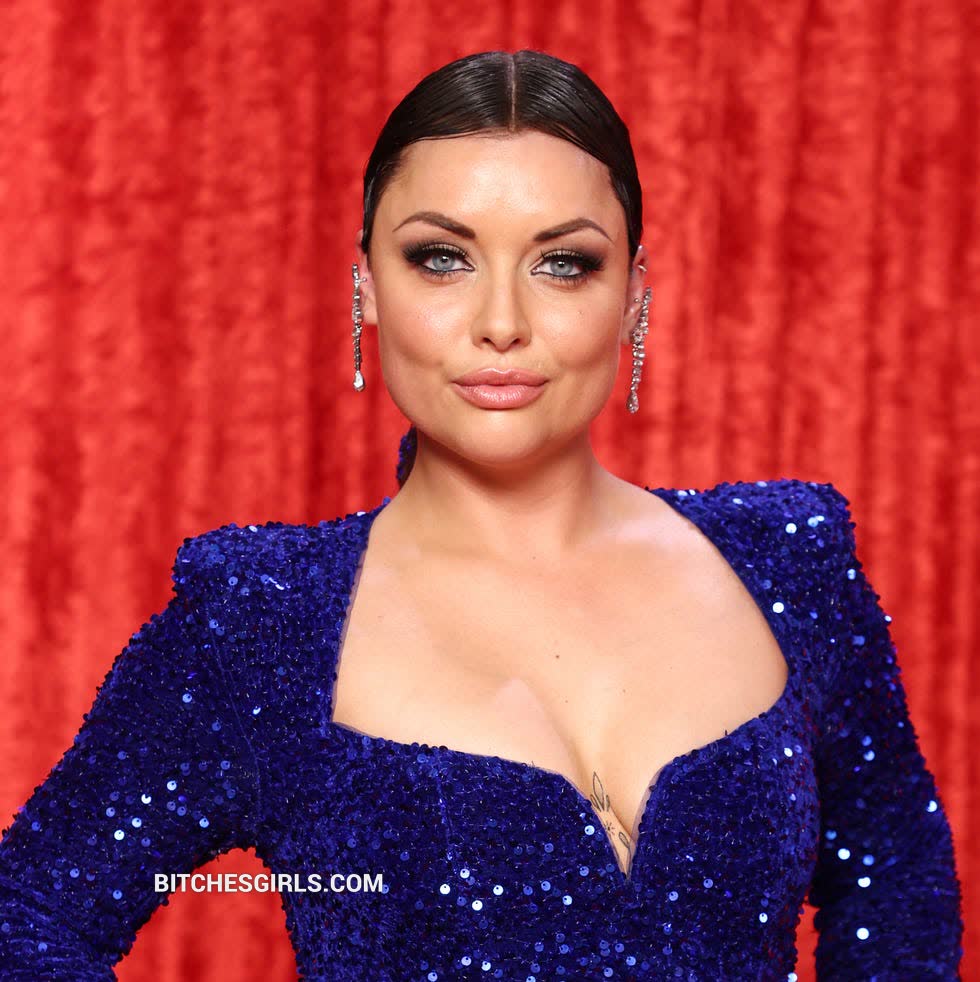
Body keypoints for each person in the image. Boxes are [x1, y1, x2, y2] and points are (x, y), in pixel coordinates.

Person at [0, 48, 963, 981]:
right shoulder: (264, 623)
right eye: (441, 258)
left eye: (564, 264)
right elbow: (29, 915)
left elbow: (897, 882)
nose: (502, 323)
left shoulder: (787, 565)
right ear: (366, 286)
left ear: (635, 294)